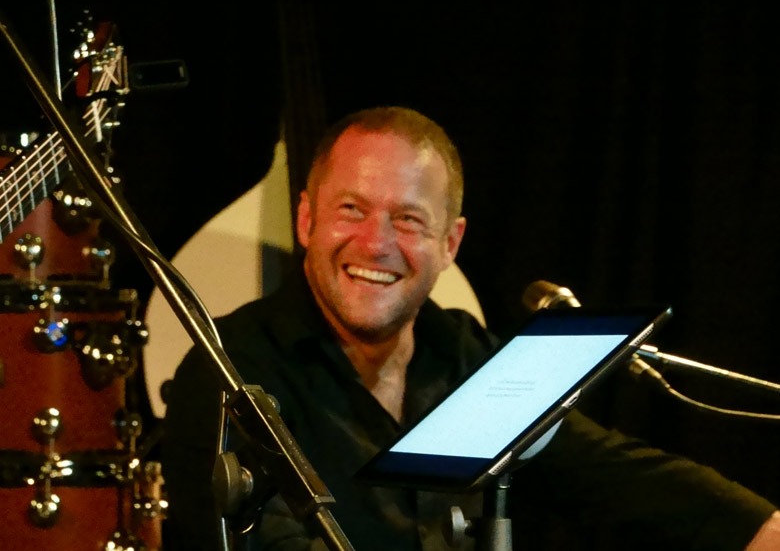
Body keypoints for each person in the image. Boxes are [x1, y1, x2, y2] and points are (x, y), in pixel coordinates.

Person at [161, 106, 780, 551]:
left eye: (408, 219)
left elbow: (613, 473)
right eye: (352, 209)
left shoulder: (463, 353)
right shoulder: (227, 369)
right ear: (306, 219)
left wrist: (759, 526)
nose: (376, 244)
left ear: (450, 243)